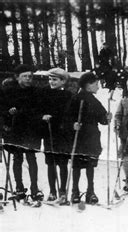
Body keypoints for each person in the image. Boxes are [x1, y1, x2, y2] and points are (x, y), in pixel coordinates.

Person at [66, 72, 111, 204]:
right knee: (77, 165)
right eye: (96, 84)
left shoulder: (94, 101)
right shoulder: (76, 99)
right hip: (79, 136)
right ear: (88, 85)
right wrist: (73, 125)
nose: (98, 87)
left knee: (90, 164)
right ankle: (75, 191)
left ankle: (90, 192)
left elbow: (102, 118)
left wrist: (107, 118)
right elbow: (67, 118)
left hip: (91, 136)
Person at [2, 64, 43, 201]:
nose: (28, 79)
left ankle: (34, 189)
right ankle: (19, 188)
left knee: (31, 158)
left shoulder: (36, 92)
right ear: (17, 77)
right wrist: (9, 112)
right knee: (17, 158)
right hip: (15, 129)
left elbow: (39, 109)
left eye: (30, 76)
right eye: (24, 76)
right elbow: (3, 109)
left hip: (31, 129)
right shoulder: (9, 92)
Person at [41, 68, 74, 202]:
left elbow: (69, 113)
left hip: (63, 133)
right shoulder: (45, 93)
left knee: (62, 163)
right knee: (51, 163)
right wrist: (43, 116)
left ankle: (62, 191)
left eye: (55, 79)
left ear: (63, 81)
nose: (51, 82)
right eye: (50, 79)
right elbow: (40, 108)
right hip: (49, 132)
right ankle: (52, 191)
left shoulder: (68, 95)